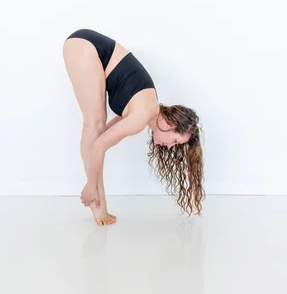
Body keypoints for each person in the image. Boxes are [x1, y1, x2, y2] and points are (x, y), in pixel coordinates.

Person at [63, 28, 205, 225]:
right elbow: (97, 146)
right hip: (86, 47)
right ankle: (95, 198)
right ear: (171, 124)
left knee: (97, 129)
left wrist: (93, 181)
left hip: (90, 46)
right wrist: (91, 185)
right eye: (174, 141)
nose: (170, 147)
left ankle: (98, 200)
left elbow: (101, 140)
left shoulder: (149, 107)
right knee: (94, 123)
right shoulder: (141, 117)